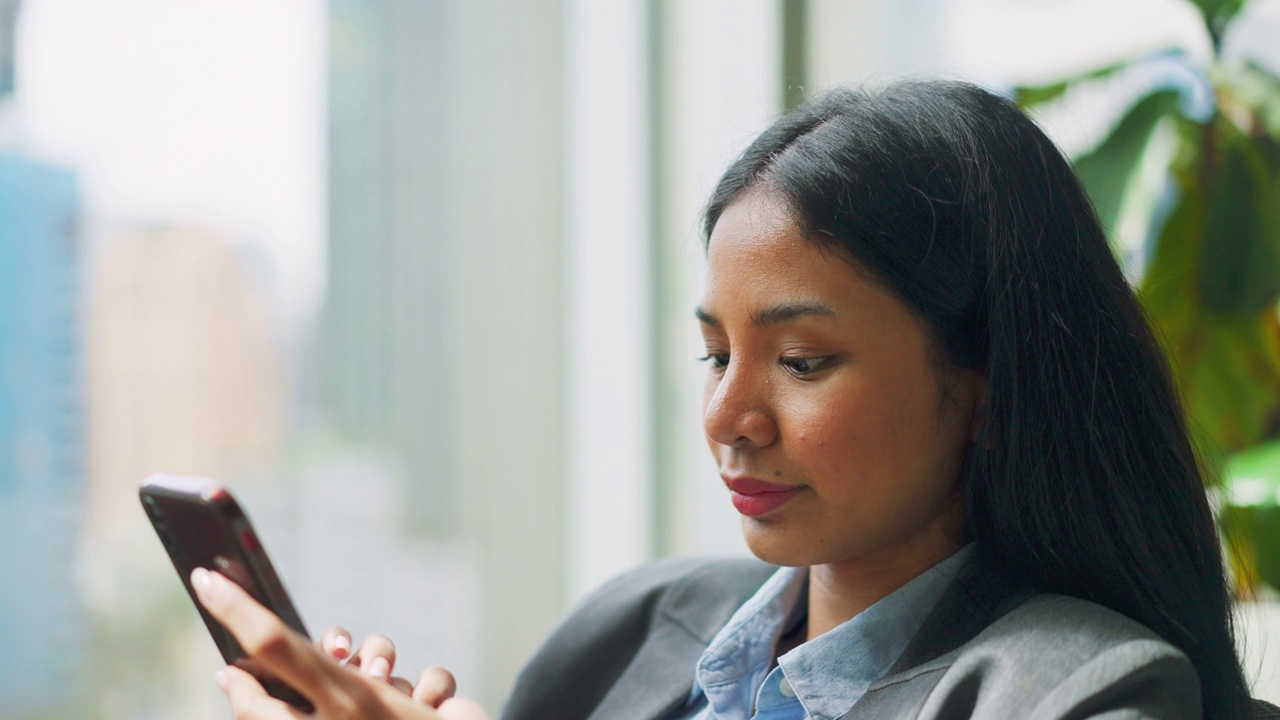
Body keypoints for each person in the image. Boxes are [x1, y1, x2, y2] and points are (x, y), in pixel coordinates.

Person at [193, 80, 1252, 719]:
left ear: (981, 383)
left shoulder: (1084, 690)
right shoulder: (628, 629)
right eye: (713, 357)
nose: (727, 418)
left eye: (799, 362)